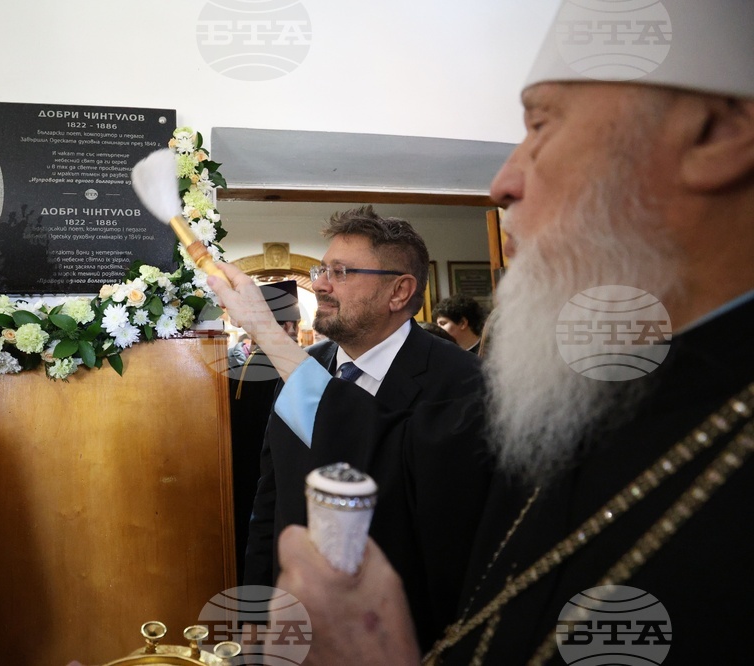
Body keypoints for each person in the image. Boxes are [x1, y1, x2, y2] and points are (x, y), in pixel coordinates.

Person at [207, 2, 754, 663]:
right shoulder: (578, 394)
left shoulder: (463, 387)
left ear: (716, 134)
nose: (502, 181)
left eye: (541, 126)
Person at [238, 207, 486, 646]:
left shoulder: (461, 382)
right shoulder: (306, 367)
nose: (319, 284)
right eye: (320, 269)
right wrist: (257, 607)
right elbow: (272, 495)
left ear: (399, 291)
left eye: (341, 271)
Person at [229, 281, 301, 582]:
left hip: (240, 478)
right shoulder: (289, 368)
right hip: (279, 486)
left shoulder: (242, 368)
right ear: (287, 326)